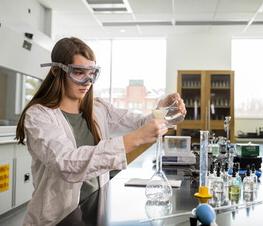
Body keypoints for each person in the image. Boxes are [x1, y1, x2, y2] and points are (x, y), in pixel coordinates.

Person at [15, 37, 186, 226]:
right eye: (78, 72)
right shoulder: (38, 116)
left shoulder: (98, 108)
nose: (88, 81)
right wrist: (133, 140)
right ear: (57, 71)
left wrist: (163, 109)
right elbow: (66, 163)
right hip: (56, 220)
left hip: (94, 212)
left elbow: (139, 123)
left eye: (92, 73)